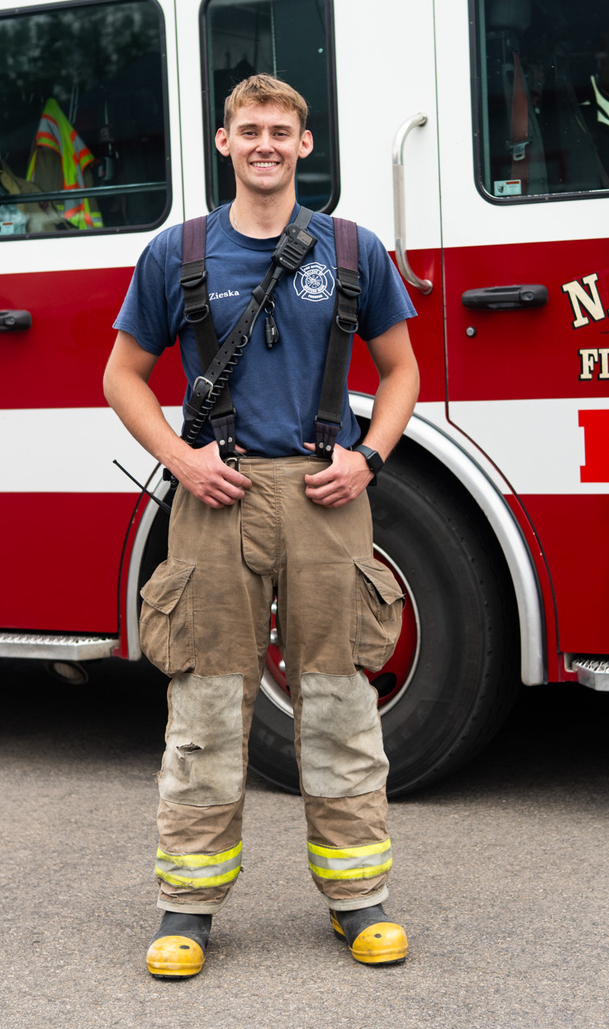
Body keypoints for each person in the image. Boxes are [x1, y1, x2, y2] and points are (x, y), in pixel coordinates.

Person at [103, 74, 420, 978]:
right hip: (216, 496)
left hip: (329, 496)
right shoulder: (178, 253)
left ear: (306, 146)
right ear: (223, 143)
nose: (266, 144)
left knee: (340, 702)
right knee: (204, 706)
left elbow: (400, 372)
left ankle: (359, 902)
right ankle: (188, 909)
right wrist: (181, 457)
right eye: (250, 131)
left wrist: (369, 456)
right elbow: (121, 375)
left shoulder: (353, 250)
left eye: (281, 130)